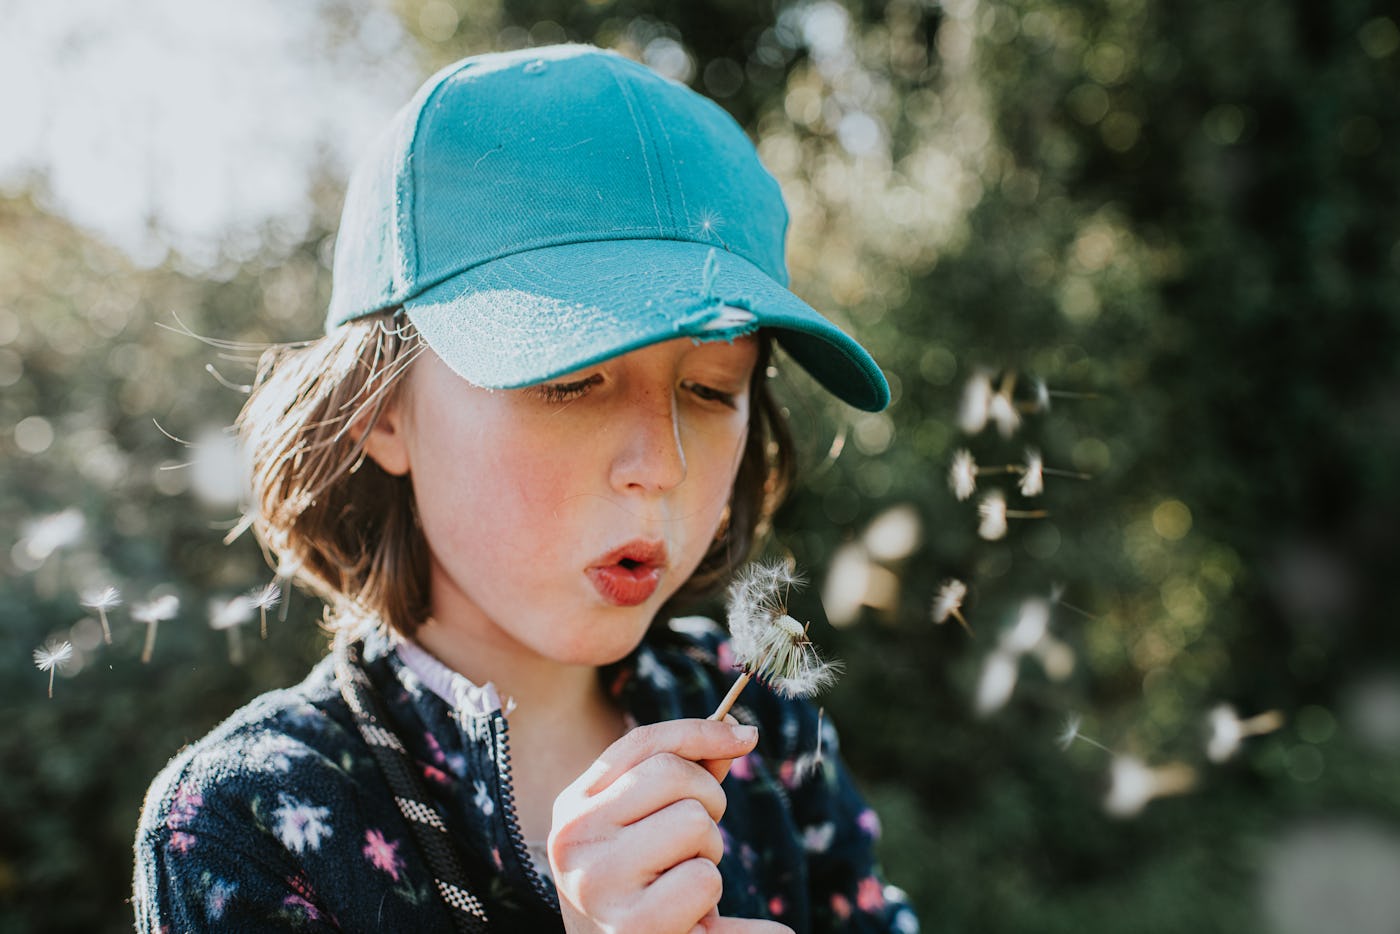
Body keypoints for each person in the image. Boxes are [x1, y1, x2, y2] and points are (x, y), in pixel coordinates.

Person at [133, 43, 917, 933]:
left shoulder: (760, 725)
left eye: (711, 390)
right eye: (570, 379)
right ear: (381, 410)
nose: (659, 464)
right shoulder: (249, 822)